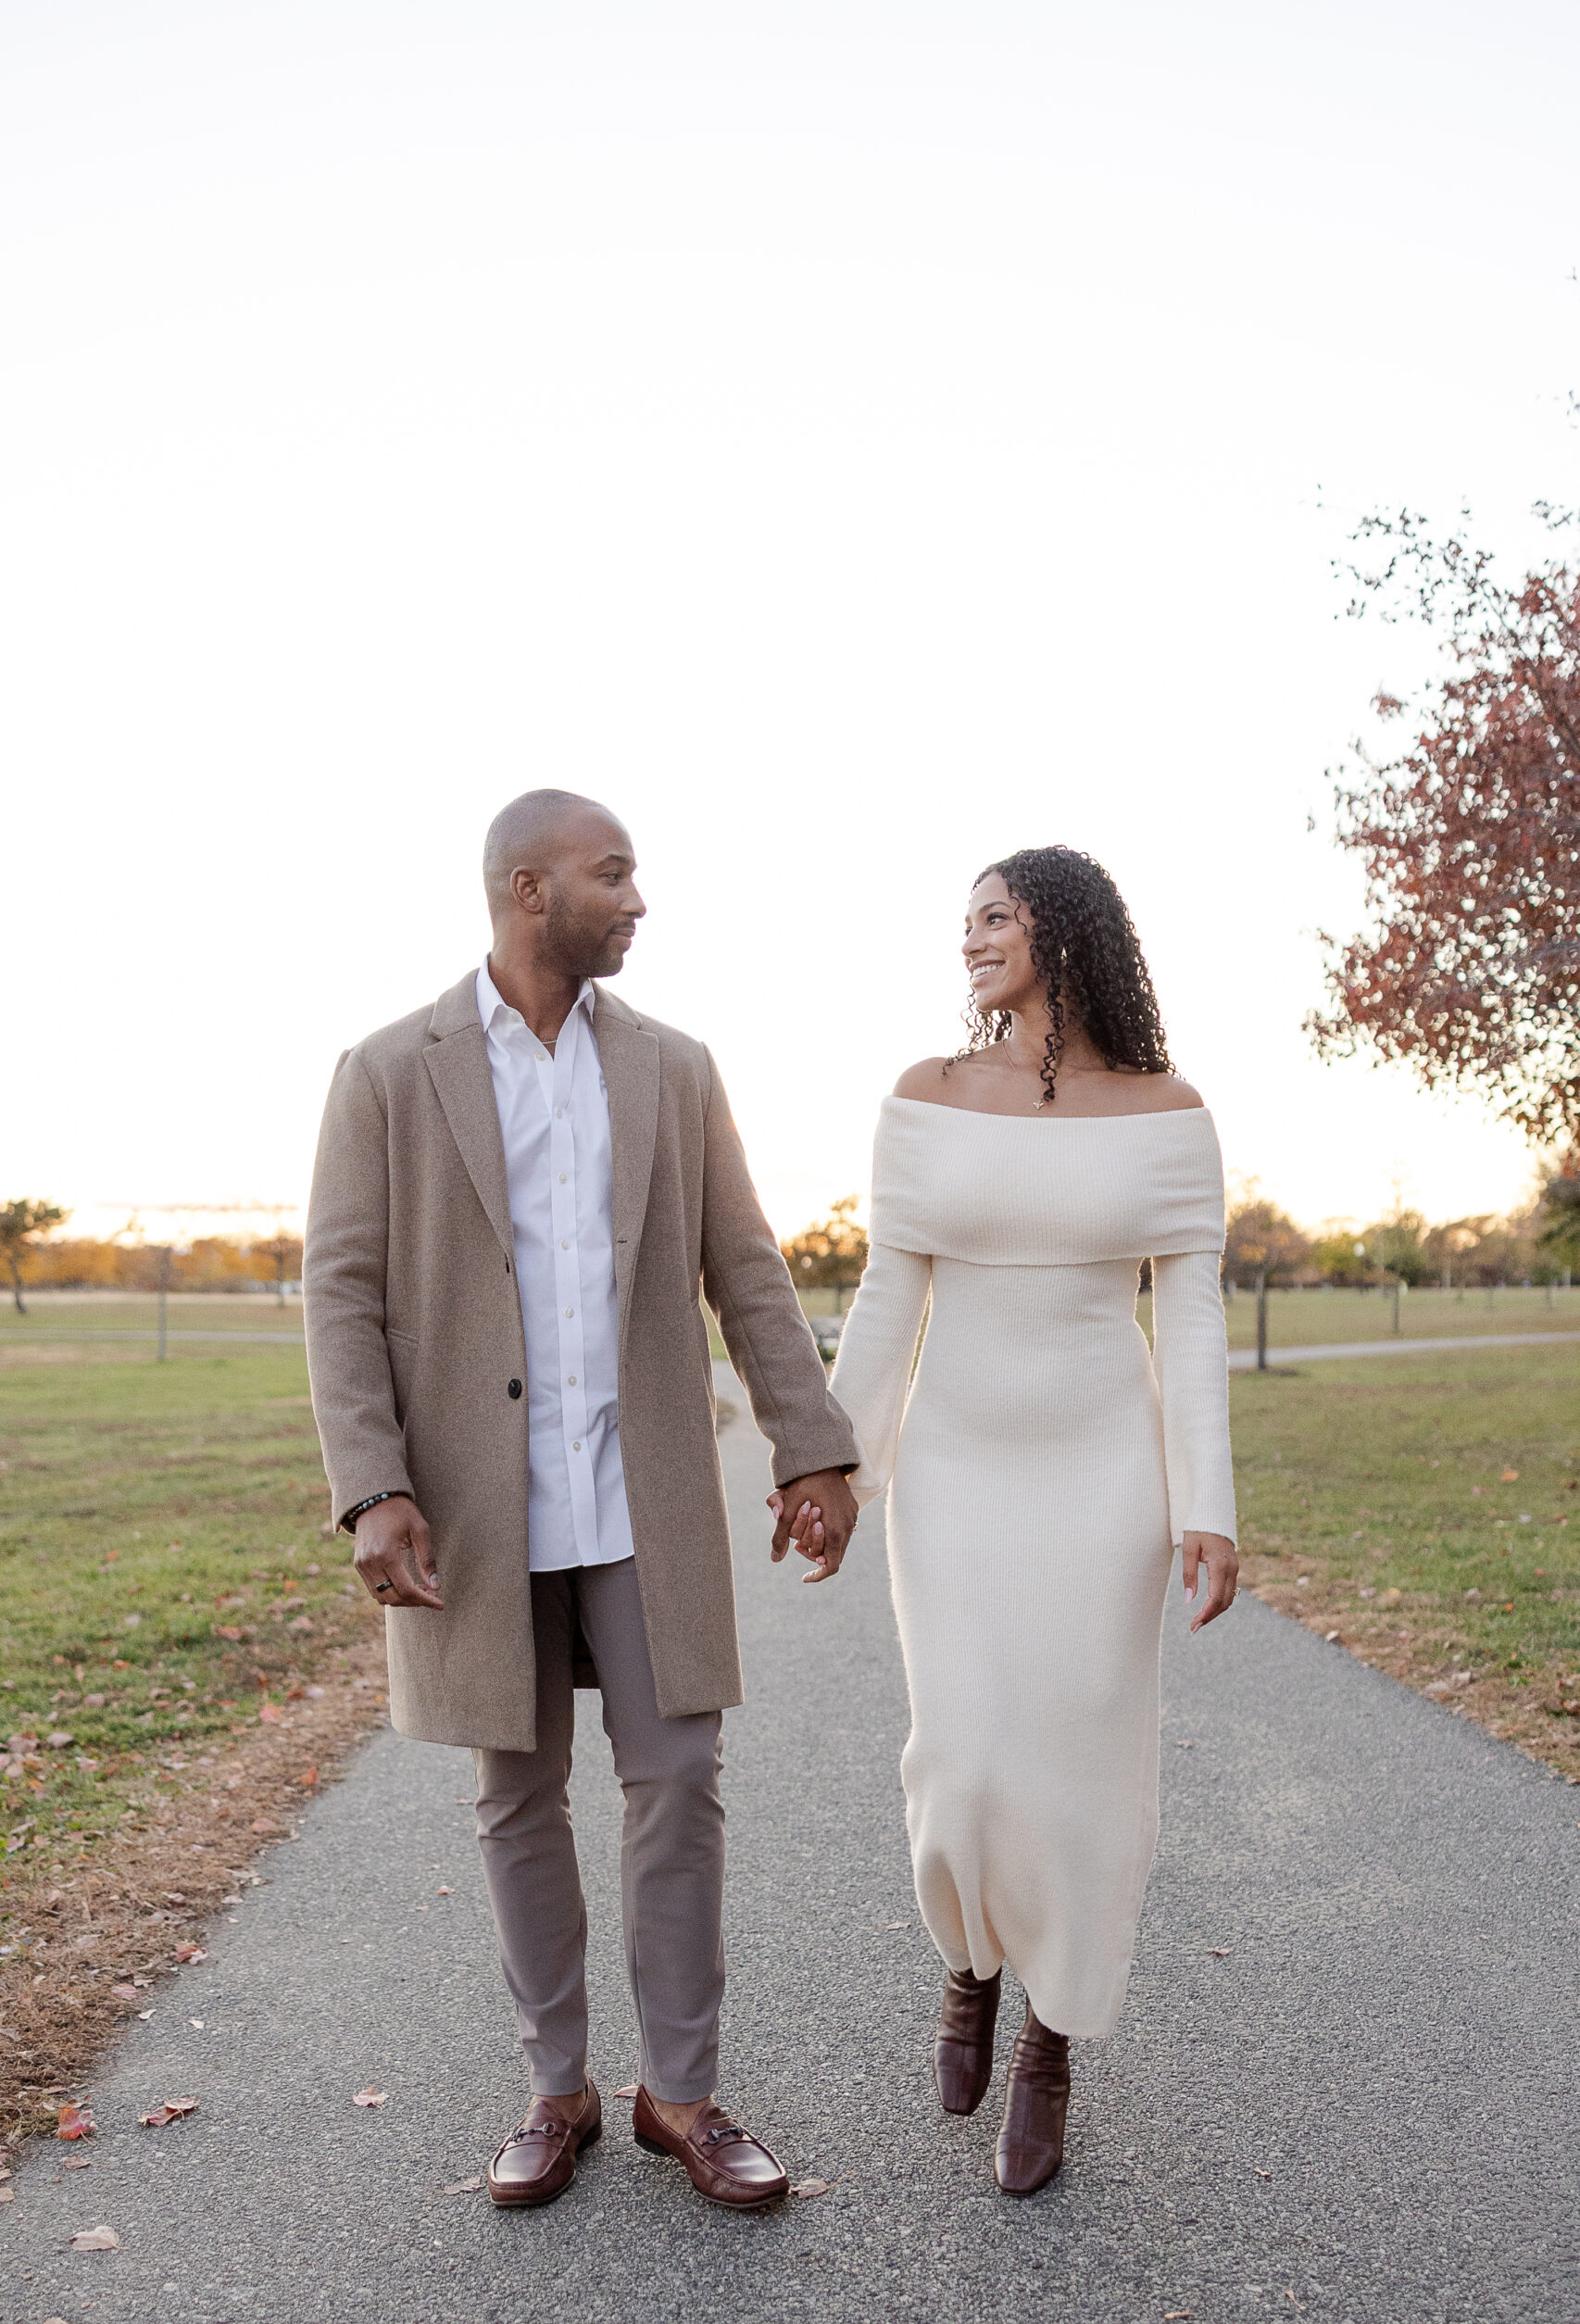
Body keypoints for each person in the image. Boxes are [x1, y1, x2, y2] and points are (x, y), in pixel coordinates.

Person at [303, 788, 859, 2211]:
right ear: (525, 888)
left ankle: (679, 2094)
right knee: (515, 1791)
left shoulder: (673, 1069)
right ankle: (557, 2090)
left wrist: (811, 1443)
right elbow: (342, 1294)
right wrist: (372, 1487)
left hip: (640, 1488)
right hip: (480, 1507)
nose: (637, 898)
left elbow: (745, 1266)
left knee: (676, 1780)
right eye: (613, 874)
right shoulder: (385, 1071)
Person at [823, 844, 1237, 2195]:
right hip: (954, 1472)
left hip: (1101, 1471)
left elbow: (1184, 1322)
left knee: (1076, 1766)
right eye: (963, 922)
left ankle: (1050, 2043)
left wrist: (1206, 1510)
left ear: (1062, 932)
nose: (968, 941)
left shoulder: (1168, 1112)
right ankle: (967, 1967)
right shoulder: (925, 1099)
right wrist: (832, 1467)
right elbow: (888, 1297)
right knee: (961, 1754)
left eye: (992, 917)